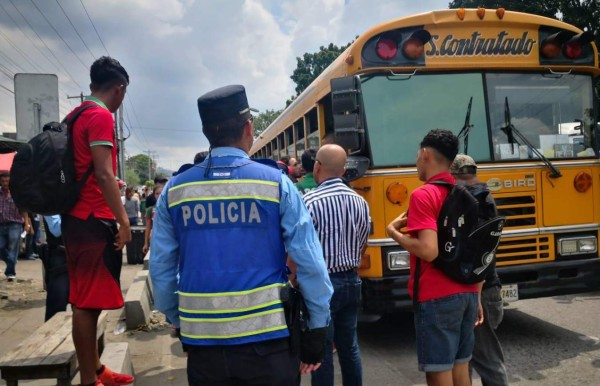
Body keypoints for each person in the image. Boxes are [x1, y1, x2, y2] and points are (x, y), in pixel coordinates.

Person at [150, 84, 333, 386]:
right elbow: (310, 262)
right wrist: (317, 326)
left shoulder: (175, 189)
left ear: (207, 132)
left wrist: (179, 320)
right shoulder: (277, 184)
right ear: (249, 128)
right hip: (269, 344)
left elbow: (161, 269)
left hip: (204, 346)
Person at [386, 129, 481, 386]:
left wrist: (393, 232)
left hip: (437, 296)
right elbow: (478, 250)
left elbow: (429, 250)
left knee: (438, 371)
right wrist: (478, 297)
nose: (416, 161)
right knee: (461, 368)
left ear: (425, 154)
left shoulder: (423, 195)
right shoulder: (466, 195)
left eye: (417, 155)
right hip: (469, 291)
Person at [61, 56, 133, 386]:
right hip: (92, 219)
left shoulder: (75, 115)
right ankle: (89, 380)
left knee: (85, 300)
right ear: (119, 89)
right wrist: (124, 222)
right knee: (86, 306)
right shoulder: (100, 116)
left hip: (76, 218)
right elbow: (104, 173)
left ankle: (97, 369)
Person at [304, 144, 370, 386]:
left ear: (316, 166)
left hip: (322, 285)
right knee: (349, 346)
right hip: (352, 280)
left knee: (321, 349)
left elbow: (302, 249)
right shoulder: (360, 202)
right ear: (343, 170)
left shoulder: (309, 201)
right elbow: (364, 243)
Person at [450, 154, 509, 386]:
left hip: (480, 292)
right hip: (485, 290)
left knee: (488, 363)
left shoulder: (475, 202)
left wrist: (475, 297)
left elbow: (478, 258)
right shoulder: (483, 198)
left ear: (454, 175)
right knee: (471, 360)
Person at [0, 172, 32, 281]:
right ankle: (11, 260)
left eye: (7, 181)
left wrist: (26, 223)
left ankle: (10, 272)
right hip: (1, 224)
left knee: (13, 247)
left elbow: (23, 209)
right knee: (1, 247)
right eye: (3, 181)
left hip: (15, 224)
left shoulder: (17, 193)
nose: (5, 183)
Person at [41, 214, 69, 321]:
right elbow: (56, 230)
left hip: (77, 254)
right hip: (60, 257)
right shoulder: (51, 201)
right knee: (57, 305)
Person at [142, 184, 163, 255]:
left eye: (161, 193)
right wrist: (146, 244)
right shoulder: (150, 210)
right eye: (157, 193)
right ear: (154, 195)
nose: (159, 195)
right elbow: (148, 228)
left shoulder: (170, 210)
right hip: (155, 240)